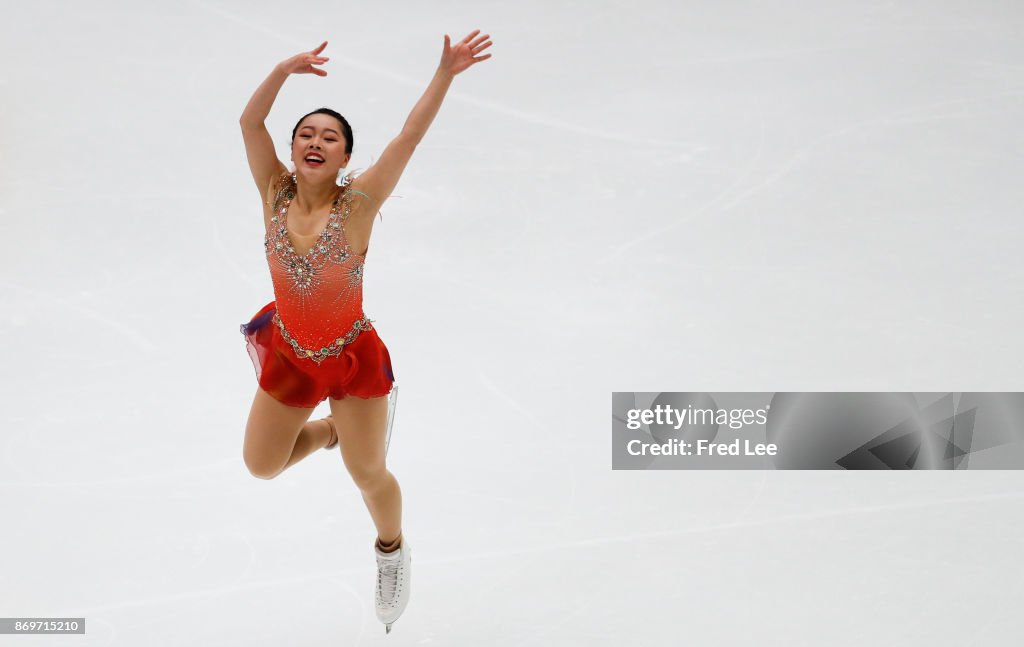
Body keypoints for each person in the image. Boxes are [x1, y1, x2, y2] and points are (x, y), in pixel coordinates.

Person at [236, 31, 493, 634]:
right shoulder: (273, 191)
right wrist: (280, 70)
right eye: (306, 133)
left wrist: (446, 73)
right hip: (294, 356)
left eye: (330, 137)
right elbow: (250, 124)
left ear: (346, 157)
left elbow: (409, 135)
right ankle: (328, 432)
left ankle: (391, 552)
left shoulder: (359, 205)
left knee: (368, 475)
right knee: (261, 465)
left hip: (351, 361)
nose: (314, 141)